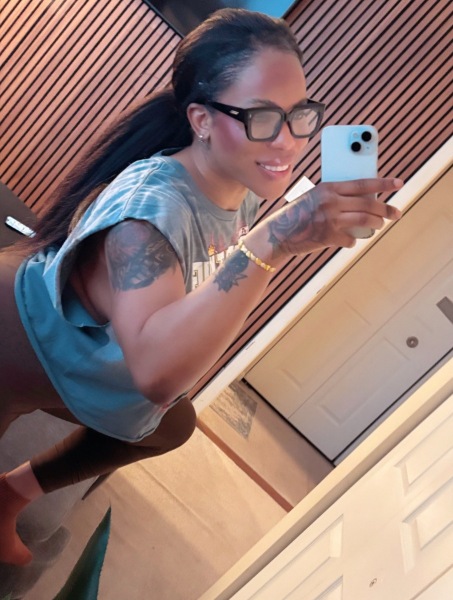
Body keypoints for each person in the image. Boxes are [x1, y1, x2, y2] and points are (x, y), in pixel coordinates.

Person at [0, 8, 402, 566]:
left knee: (170, 427)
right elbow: (157, 372)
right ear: (202, 120)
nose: (288, 141)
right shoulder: (150, 211)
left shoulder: (245, 191)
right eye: (262, 117)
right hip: (14, 340)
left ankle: (10, 494)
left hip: (75, 356)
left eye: (299, 116)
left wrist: (271, 239)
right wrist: (273, 242)